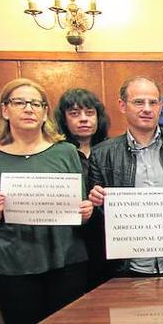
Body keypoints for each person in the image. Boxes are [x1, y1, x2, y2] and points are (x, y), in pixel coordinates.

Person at [0, 78, 93, 324]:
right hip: (13, 267)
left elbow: (79, 210)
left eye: (36, 104)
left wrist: (86, 211)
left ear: (45, 112)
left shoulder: (65, 152)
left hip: (66, 263)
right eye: (19, 102)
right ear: (5, 110)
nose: (29, 109)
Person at [88, 76, 163, 277]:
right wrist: (96, 202)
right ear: (122, 106)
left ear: (160, 106)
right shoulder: (102, 154)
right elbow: (96, 216)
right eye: (138, 102)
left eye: (153, 102)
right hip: (127, 267)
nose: (147, 109)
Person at [55, 88, 111, 290]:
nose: (83, 119)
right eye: (74, 114)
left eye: (89, 113)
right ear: (64, 119)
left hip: (106, 241)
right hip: (71, 242)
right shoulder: (55, 154)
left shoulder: (111, 149)